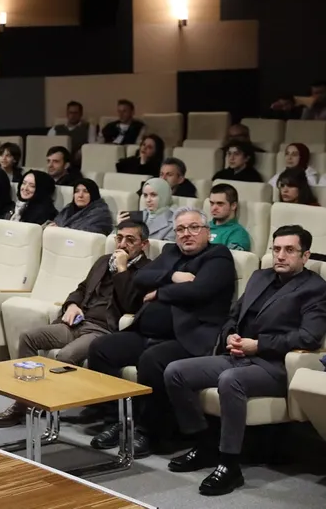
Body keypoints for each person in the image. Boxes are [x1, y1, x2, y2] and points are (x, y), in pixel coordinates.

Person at [164, 225, 326, 496]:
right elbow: (233, 315)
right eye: (276, 249)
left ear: (305, 255)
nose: (280, 255)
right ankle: (205, 444)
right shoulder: (260, 276)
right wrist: (231, 336)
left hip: (275, 367)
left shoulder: (315, 288)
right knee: (175, 372)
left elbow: (309, 337)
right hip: (238, 355)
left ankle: (229, 465)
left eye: (289, 250)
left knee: (230, 380)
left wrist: (259, 345)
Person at [86, 208, 235, 457]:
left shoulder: (218, 256)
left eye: (194, 228)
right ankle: (117, 420)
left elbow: (199, 290)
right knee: (101, 348)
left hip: (188, 337)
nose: (186, 234)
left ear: (207, 232)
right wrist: (173, 276)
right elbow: (141, 277)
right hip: (147, 333)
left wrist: (160, 292)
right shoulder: (170, 252)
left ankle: (149, 432)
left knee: (152, 360)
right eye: (180, 229)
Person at [0, 220, 152, 428]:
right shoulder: (103, 261)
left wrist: (122, 270)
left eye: (130, 240)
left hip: (102, 330)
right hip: (78, 322)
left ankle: (53, 407)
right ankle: (23, 403)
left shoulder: (147, 270)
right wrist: (72, 304)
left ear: (143, 244)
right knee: (28, 337)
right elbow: (81, 289)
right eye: (119, 238)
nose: (122, 244)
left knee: (65, 356)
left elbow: (131, 303)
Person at [119, 177, 176, 242]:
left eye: (153, 195)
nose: (148, 200)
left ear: (164, 195)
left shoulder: (175, 221)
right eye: (145, 195)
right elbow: (115, 241)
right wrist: (120, 227)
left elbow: (167, 247)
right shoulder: (140, 216)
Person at [208, 183, 252, 251]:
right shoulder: (203, 226)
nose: (214, 208)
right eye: (212, 203)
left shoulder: (238, 233)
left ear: (233, 206)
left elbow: (228, 256)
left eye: (220, 204)